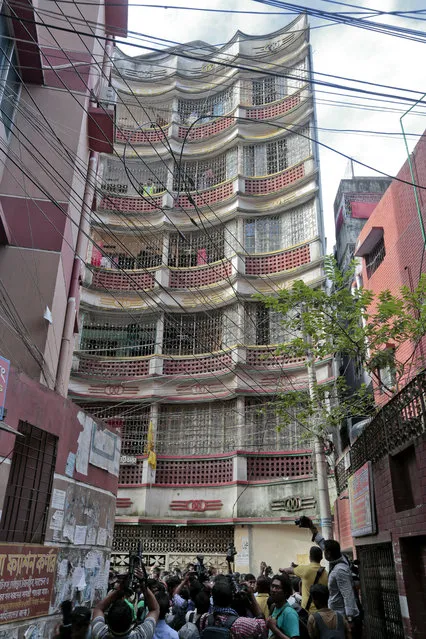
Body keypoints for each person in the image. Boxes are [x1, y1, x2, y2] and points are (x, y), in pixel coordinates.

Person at [305, 521, 360, 639]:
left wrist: (349, 619)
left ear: (328, 553)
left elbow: (348, 594)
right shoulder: (338, 559)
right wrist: (312, 528)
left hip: (343, 616)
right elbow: (323, 543)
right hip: (337, 615)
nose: (323, 552)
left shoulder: (340, 570)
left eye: (325, 551)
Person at [92, 567, 160, 638]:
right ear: (131, 621)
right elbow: (154, 609)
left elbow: (98, 609)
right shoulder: (140, 636)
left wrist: (119, 590)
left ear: (108, 620)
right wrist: (143, 583)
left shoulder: (100, 634)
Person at [199, 575, 267, 639]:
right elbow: (262, 625)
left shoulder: (204, 619)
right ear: (231, 598)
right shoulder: (241, 624)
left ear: (213, 598)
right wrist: (251, 595)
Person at [280, 548, 328, 613]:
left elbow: (290, 570)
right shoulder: (326, 573)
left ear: (310, 557)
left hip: (307, 611)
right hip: (322, 610)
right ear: (321, 558)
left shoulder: (305, 570)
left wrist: (282, 569)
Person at [266, 574, 299, 639]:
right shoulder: (273, 607)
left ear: (286, 592)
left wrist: (274, 629)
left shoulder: (289, 613)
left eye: (277, 587)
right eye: (272, 586)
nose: (273, 590)